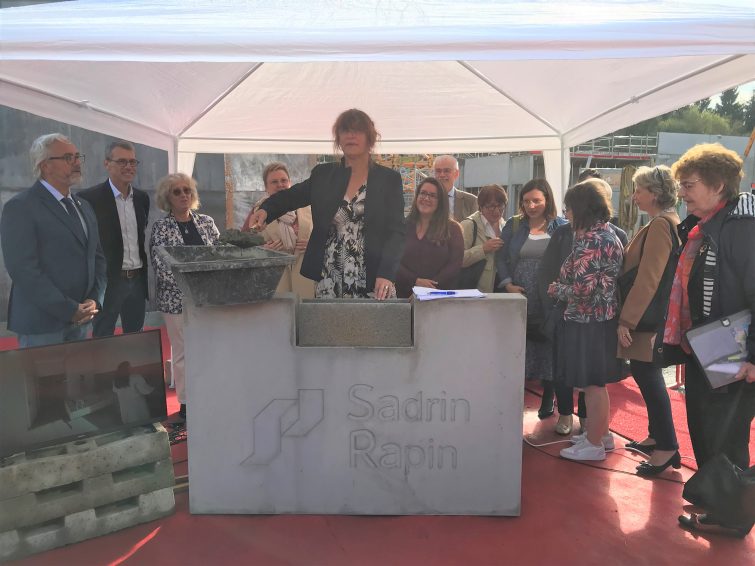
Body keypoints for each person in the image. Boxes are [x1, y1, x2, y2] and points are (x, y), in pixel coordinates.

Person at [662, 144, 754, 536]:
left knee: (724, 435)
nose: (681, 193)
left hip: (733, 346)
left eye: (688, 185)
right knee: (706, 427)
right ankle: (721, 505)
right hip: (710, 343)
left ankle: (730, 516)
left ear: (718, 186)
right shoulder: (705, 226)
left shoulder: (740, 227)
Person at [246, 109, 406, 300]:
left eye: (358, 130)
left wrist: (386, 273)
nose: (351, 135)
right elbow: (290, 196)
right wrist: (265, 210)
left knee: (373, 329)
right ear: (338, 138)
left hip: (374, 277)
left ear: (370, 138)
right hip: (329, 274)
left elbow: (397, 232)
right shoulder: (323, 175)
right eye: (345, 130)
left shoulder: (389, 179)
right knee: (330, 328)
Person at [0, 134, 106, 348]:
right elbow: (23, 270)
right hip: (42, 325)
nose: (77, 162)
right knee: (46, 383)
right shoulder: (21, 207)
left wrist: (95, 299)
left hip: (82, 320)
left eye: (78, 156)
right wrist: (68, 309)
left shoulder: (84, 206)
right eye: (68, 157)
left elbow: (98, 257)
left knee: (80, 382)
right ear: (46, 165)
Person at [540, 178, 627, 436]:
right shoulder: (607, 233)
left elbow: (582, 290)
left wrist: (557, 289)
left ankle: (595, 441)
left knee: (592, 385)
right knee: (595, 385)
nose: (565, 213)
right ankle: (598, 437)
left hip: (589, 320)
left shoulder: (592, 239)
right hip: (598, 319)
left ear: (581, 208)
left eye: (568, 208)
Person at [617, 166, 681, 475]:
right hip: (654, 317)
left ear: (654, 194)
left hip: (647, 319)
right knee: (646, 374)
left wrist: (626, 320)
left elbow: (649, 279)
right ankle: (658, 438)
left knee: (648, 375)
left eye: (639, 190)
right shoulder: (669, 221)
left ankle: (667, 447)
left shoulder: (659, 225)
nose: (634, 196)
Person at [150, 173, 220, 420]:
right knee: (182, 352)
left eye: (187, 190)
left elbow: (219, 255)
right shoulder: (161, 227)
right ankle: (186, 403)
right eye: (177, 191)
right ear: (167, 197)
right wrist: (190, 286)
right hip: (176, 299)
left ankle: (210, 394)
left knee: (209, 349)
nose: (183, 195)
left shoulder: (207, 223)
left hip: (207, 298)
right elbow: (161, 264)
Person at [496, 178, 567, 419]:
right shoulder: (515, 226)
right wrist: (507, 285)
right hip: (520, 293)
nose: (531, 205)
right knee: (519, 343)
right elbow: (501, 258)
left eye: (536, 200)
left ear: (547, 200)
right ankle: (516, 395)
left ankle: (549, 395)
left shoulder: (561, 226)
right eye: (526, 201)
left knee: (548, 342)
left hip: (549, 295)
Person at [79, 140, 150, 336]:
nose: (128, 167)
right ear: (107, 163)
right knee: (103, 340)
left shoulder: (142, 199)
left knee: (136, 340)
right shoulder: (89, 198)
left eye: (132, 162)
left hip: (136, 281)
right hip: (107, 283)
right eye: (121, 162)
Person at [242, 162, 315, 298]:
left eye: (284, 180)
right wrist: (263, 249)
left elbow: (327, 236)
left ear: (290, 182)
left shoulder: (309, 209)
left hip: (306, 279)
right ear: (266, 187)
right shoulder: (258, 212)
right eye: (274, 182)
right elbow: (243, 246)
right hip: (274, 280)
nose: (280, 185)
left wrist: (313, 245)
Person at [395, 178, 464, 298]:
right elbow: (393, 260)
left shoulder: (453, 229)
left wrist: (426, 290)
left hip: (438, 298)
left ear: (441, 201)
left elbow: (454, 265)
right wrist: (415, 281)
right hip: (404, 297)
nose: (426, 198)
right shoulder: (402, 226)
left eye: (433, 195)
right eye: (423, 193)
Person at [461, 184, 507, 292]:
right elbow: (457, 260)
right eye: (491, 206)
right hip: (475, 291)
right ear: (481, 206)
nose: (496, 211)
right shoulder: (469, 225)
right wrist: (483, 249)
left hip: (500, 287)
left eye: (500, 206)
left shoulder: (505, 226)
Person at [432, 155, 478, 221]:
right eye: (438, 171)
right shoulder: (426, 199)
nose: (442, 174)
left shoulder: (471, 201)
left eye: (446, 171)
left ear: (456, 174)